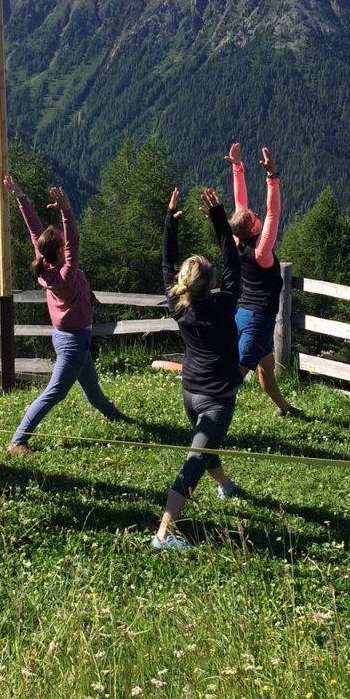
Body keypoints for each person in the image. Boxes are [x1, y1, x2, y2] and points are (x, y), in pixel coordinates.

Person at [1, 176, 127, 454]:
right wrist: (66, 210)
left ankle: (116, 417)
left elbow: (35, 230)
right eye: (59, 239)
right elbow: (74, 243)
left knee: (92, 390)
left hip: (72, 337)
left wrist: (21, 197)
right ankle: (18, 440)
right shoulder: (65, 275)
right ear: (59, 250)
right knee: (54, 392)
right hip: (73, 341)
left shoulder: (47, 265)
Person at [153, 186, 241, 550]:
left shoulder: (179, 306)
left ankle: (225, 485)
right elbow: (235, 263)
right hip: (217, 398)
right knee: (194, 459)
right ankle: (164, 534)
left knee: (206, 446)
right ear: (211, 284)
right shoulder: (224, 307)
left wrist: (169, 226)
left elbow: (165, 267)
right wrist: (220, 218)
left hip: (190, 392)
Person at [225, 142, 301, 417]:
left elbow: (239, 205)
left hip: (244, 313)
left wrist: (237, 167)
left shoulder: (238, 241)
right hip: (259, 320)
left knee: (265, 366)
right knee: (233, 378)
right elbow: (273, 212)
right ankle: (210, 418)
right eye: (255, 218)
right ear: (254, 226)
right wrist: (272, 177)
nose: (256, 215)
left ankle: (285, 408)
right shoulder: (262, 252)